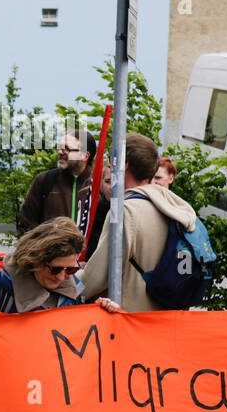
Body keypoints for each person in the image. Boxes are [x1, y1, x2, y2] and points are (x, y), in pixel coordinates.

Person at [0, 217, 120, 354]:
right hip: (11, 386)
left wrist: (99, 312)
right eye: (56, 269)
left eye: (71, 270)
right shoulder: (1, 282)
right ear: (36, 260)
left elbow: (81, 335)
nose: (63, 277)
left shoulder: (73, 286)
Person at [79, 133, 196, 313]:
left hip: (130, 320)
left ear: (124, 165)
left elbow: (95, 277)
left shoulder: (124, 211)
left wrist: (64, 287)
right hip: (166, 317)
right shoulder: (177, 207)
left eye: (111, 164)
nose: (110, 168)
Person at [18, 129, 108, 254]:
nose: (60, 152)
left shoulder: (100, 185)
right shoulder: (44, 181)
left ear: (85, 156)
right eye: (60, 148)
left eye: (67, 149)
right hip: (50, 265)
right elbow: (27, 226)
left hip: (88, 267)